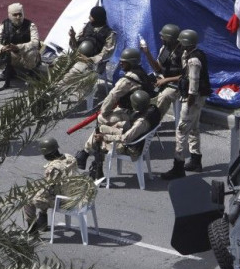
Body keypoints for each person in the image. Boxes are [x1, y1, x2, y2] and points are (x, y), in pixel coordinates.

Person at [74, 47, 154, 178]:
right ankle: (86, 153)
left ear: (131, 63)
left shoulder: (128, 79)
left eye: (124, 62)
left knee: (101, 120)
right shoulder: (142, 73)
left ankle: (87, 153)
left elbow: (112, 96)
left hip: (131, 115)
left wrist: (104, 112)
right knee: (103, 125)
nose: (121, 63)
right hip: (139, 111)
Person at [161, 29, 211, 179]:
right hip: (196, 98)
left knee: (181, 131)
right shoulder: (192, 54)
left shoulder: (193, 60)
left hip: (192, 99)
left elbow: (193, 83)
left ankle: (178, 166)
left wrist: (189, 101)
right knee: (194, 128)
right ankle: (196, 160)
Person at [90, 90, 161, 181]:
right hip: (135, 137)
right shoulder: (151, 109)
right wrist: (119, 124)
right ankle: (89, 154)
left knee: (99, 140)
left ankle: (97, 167)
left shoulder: (141, 122)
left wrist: (104, 137)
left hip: (131, 147)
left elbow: (125, 138)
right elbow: (133, 126)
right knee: (101, 128)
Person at [24, 137, 78, 233]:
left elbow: (48, 188)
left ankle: (32, 227)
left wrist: (34, 191)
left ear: (48, 154)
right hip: (74, 194)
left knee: (29, 199)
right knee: (42, 195)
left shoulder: (54, 168)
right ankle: (42, 221)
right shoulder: (69, 157)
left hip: (63, 201)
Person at [140, 23, 184, 117]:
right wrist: (147, 53)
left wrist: (166, 80)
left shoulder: (183, 53)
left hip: (178, 84)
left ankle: (152, 121)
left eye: (163, 37)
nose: (161, 38)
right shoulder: (165, 49)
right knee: (143, 86)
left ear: (171, 39)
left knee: (164, 96)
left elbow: (187, 75)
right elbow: (158, 68)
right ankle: (141, 116)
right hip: (164, 79)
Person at [0, 2, 41, 82]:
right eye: (15, 15)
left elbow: (35, 43)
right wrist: (2, 48)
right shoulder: (4, 25)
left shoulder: (30, 25)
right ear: (9, 15)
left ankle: (31, 72)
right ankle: (9, 71)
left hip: (26, 56)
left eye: (20, 14)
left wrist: (18, 47)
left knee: (32, 52)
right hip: (12, 55)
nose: (18, 17)